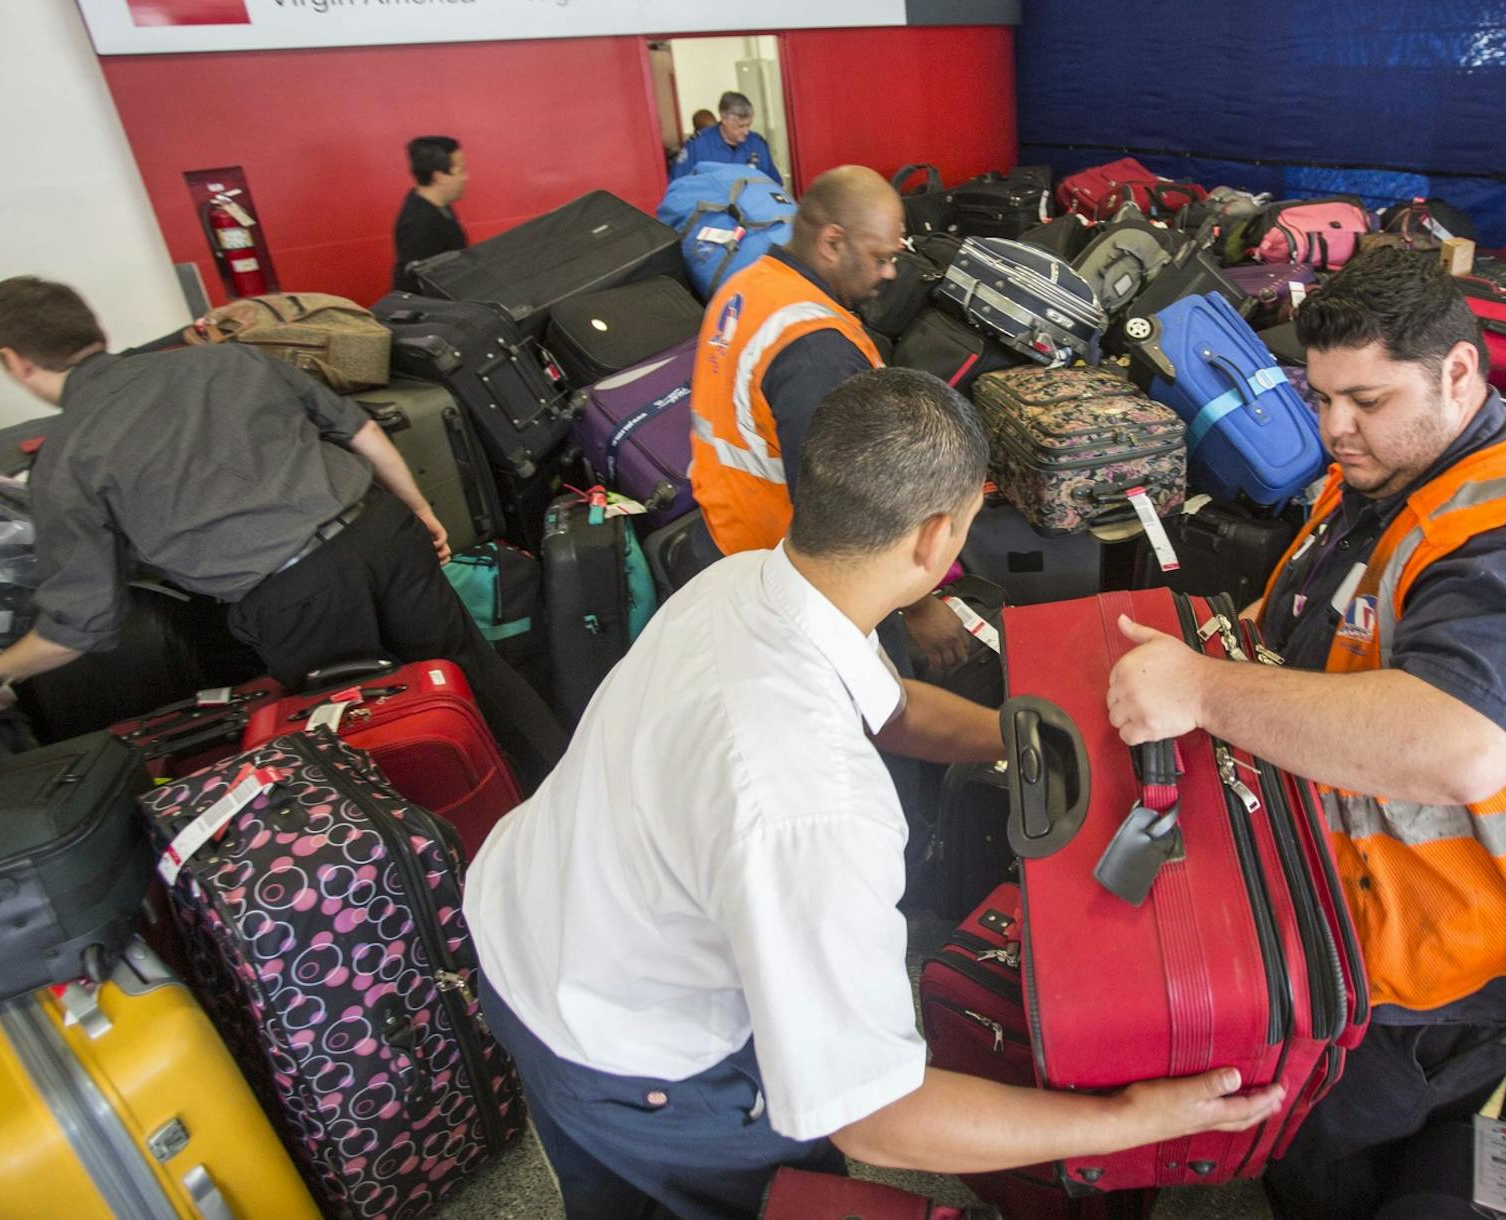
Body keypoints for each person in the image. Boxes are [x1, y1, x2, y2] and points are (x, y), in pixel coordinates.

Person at [464, 368, 1283, 1219]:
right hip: (623, 1047)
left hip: (540, 915)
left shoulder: (744, 583)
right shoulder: (816, 806)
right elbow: (871, 1114)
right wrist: (1121, 1122)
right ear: (937, 539)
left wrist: (1042, 740)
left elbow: (886, 708)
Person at [1102, 248, 1506, 1214]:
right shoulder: (1384, 480)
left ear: (1458, 374)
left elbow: (1458, 744)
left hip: (1456, 965)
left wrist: (1201, 688)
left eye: (1363, 400)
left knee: (1334, 1159)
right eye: (1318, 398)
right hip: (1366, 911)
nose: (1332, 430)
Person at [0, 277, 567, 788]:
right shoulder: (228, 360)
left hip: (294, 594)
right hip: (383, 530)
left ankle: (456, 855)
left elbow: (80, 625)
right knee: (470, 673)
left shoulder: (66, 457)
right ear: (93, 330)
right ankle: (569, 791)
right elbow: (360, 430)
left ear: (14, 361)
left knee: (374, 734)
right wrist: (422, 510)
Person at [686, 164, 966, 670]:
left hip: (724, 537)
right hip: (792, 583)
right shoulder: (817, 353)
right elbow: (849, 516)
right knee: (883, 715)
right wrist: (918, 607)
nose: (888, 272)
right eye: (880, 257)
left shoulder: (747, 284)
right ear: (833, 242)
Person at [391, 135, 468, 292]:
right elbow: (407, 285)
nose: (466, 177)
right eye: (460, 171)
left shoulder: (439, 206)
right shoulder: (418, 223)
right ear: (439, 177)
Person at [670, 91, 781, 185]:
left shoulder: (757, 144)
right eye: (741, 126)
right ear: (724, 118)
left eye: (749, 125)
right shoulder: (697, 146)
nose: (746, 131)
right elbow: (678, 186)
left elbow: (775, 184)